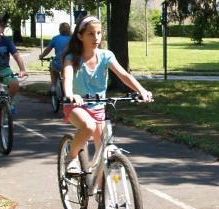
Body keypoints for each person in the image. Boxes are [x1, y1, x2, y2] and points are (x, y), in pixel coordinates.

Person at [62, 15, 152, 174]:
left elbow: (124, 76)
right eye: (90, 34)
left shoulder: (106, 56)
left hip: (99, 108)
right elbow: (67, 78)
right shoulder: (71, 58)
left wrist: (141, 91)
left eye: (99, 33)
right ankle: (72, 157)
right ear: (80, 36)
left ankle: (100, 188)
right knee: (88, 126)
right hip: (76, 107)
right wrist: (71, 94)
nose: (96, 37)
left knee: (104, 155)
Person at [38, 22, 72, 95]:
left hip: (59, 63)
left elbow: (47, 50)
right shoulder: (73, 38)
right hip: (71, 63)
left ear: (60, 29)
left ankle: (53, 88)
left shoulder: (56, 38)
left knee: (52, 68)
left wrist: (41, 56)